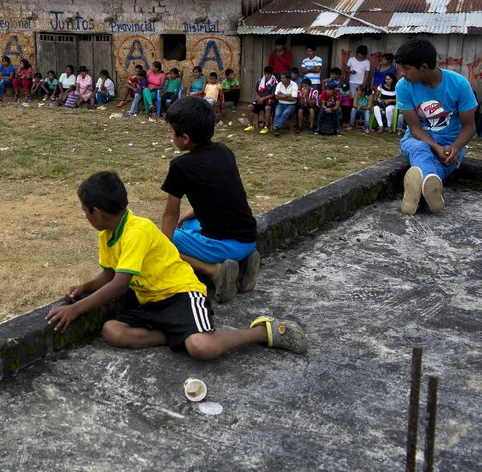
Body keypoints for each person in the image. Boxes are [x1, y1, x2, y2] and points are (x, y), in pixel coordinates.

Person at [45, 171, 306, 359]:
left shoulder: (137, 230)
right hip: (151, 303)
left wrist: (76, 310)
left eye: (84, 211)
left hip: (182, 295)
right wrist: (84, 287)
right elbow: (110, 273)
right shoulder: (107, 233)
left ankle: (263, 330)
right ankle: (176, 334)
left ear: (97, 212)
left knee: (202, 348)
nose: (85, 216)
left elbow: (119, 284)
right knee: (111, 331)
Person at [159, 97, 262, 300]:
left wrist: (162, 246)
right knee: (188, 224)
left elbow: (170, 215)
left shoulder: (180, 166)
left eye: (171, 133)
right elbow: (224, 193)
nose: (171, 137)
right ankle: (245, 261)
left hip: (222, 247)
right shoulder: (224, 151)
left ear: (185, 138)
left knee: (159, 242)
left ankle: (213, 270)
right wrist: (192, 212)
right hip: (249, 239)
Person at [395, 38, 478, 215]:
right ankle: (429, 192)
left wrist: (454, 147)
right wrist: (435, 146)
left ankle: (418, 193)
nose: (402, 73)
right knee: (419, 148)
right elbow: (415, 129)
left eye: (407, 68)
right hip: (417, 138)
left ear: (423, 67)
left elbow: (470, 127)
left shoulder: (459, 84)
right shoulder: (403, 86)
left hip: (451, 141)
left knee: (443, 161)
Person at [244, 66, 278, 133]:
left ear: (271, 74)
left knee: (267, 108)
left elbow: (273, 94)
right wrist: (257, 97)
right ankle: (250, 125)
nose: (266, 75)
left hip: (269, 101)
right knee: (249, 107)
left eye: (268, 74)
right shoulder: (260, 80)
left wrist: (263, 98)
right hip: (259, 100)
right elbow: (256, 91)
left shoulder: (274, 83)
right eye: (265, 74)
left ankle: (266, 127)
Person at [271, 71, 298, 136]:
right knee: (277, 114)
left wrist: (282, 96)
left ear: (288, 79)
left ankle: (277, 127)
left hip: (291, 105)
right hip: (281, 104)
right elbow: (276, 97)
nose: (281, 79)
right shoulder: (279, 84)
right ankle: (277, 130)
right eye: (281, 78)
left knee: (284, 113)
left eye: (283, 78)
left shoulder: (294, 85)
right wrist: (288, 95)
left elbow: (294, 98)